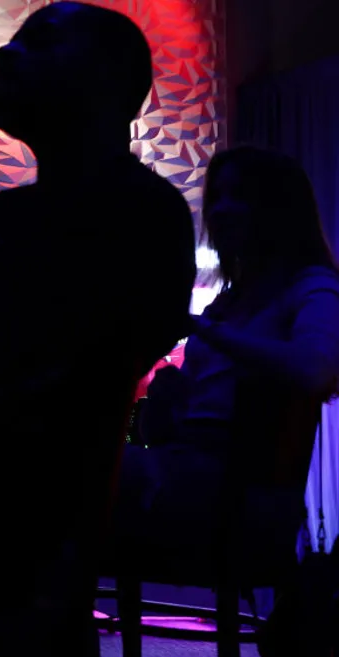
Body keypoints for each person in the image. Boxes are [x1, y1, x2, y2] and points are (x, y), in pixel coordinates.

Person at [0, 3, 196, 657]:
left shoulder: (145, 214)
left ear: (111, 82)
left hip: (16, 509)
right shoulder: (1, 215)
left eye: (40, 43)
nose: (5, 59)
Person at [118, 146, 339, 570]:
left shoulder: (313, 287)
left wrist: (206, 329)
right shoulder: (229, 303)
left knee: (74, 472)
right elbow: (181, 425)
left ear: (278, 209)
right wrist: (166, 402)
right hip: (193, 471)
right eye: (216, 196)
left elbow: (315, 369)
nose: (220, 209)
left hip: (242, 495)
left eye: (240, 196)